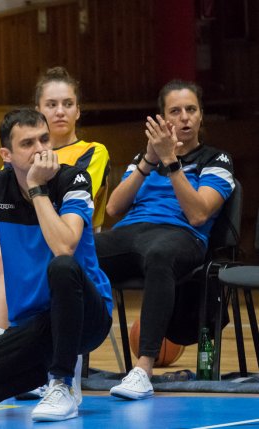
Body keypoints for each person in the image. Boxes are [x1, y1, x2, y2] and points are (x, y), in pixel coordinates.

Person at [0, 108, 112, 422]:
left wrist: (37, 189)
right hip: (34, 325)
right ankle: (43, 373)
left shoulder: (73, 178)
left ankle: (61, 383)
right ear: (6, 154)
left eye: (44, 139)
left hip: (87, 317)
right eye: (28, 143)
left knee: (61, 267)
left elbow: (64, 247)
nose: (41, 149)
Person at [97, 80, 235, 400]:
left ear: (201, 116)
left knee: (160, 254)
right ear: (163, 119)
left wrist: (172, 162)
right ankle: (57, 365)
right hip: (131, 233)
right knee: (72, 254)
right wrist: (148, 160)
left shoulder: (217, 161)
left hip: (182, 235)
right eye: (175, 111)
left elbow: (199, 214)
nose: (185, 117)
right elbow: (115, 208)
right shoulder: (144, 160)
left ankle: (143, 370)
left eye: (191, 110)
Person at [0, 67, 110, 401]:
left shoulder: (91, 153)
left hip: (72, 240)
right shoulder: (20, 151)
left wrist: (37, 187)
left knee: (56, 263)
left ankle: (60, 375)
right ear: (38, 111)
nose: (59, 111)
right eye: (51, 104)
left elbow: (70, 217)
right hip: (26, 240)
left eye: (67, 103)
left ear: (78, 110)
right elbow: (5, 199)